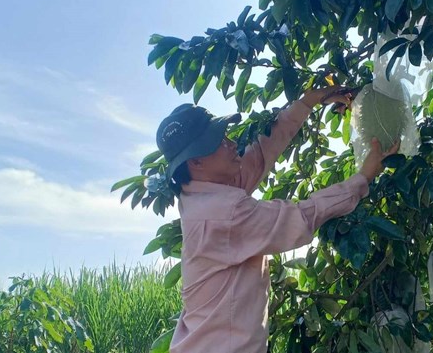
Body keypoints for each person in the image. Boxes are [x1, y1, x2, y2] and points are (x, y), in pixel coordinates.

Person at [156, 86, 399, 353]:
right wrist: (362, 178)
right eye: (218, 142)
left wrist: (306, 103)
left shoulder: (201, 194)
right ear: (196, 163)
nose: (231, 143)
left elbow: (260, 155)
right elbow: (300, 217)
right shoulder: (223, 213)